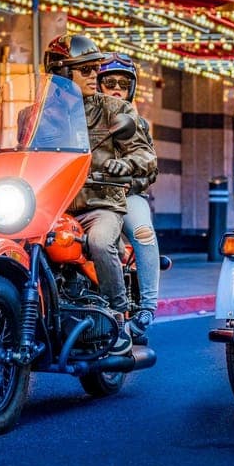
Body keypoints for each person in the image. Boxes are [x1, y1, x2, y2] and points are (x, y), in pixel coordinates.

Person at [44, 34, 157, 356]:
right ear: (62, 75)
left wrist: (124, 165)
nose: (97, 76)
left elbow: (146, 157)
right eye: (87, 70)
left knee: (100, 240)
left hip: (100, 202)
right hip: (50, 204)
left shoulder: (114, 110)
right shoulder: (34, 115)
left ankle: (120, 315)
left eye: (96, 69)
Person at [96, 53, 161, 342]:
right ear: (99, 85)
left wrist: (128, 179)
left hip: (125, 194)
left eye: (123, 83)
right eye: (109, 82)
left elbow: (150, 168)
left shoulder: (138, 122)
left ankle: (147, 306)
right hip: (84, 193)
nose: (116, 88)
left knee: (142, 231)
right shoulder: (82, 119)